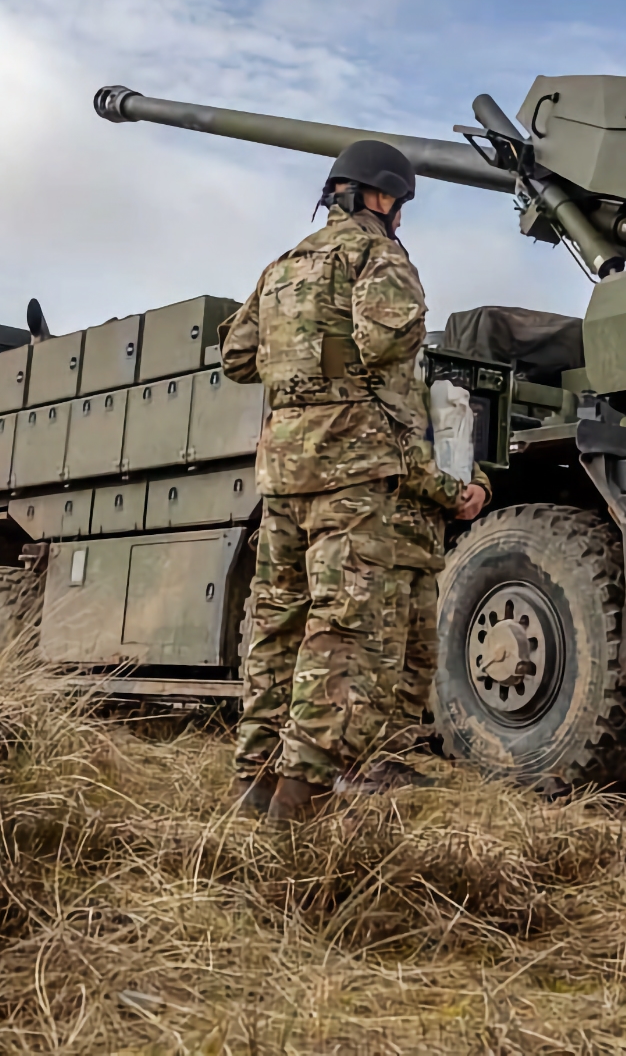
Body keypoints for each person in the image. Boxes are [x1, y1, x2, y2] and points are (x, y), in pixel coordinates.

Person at [219, 139, 434, 825]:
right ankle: (300, 794)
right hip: (350, 466)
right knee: (339, 623)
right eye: (397, 203)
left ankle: (252, 774)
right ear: (380, 196)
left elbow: (236, 354)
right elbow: (385, 342)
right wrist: (340, 360)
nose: (398, 216)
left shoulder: (282, 266)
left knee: (277, 619)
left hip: (282, 467)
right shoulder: (378, 255)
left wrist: (307, 355)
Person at [377, 376, 488, 769]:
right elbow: (400, 460)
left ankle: (393, 759)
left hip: (426, 552)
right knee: (381, 659)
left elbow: (455, 451)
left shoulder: (428, 396)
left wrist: (478, 487)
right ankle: (363, 759)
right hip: (384, 548)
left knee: (418, 661)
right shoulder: (380, 393)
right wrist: (452, 493)